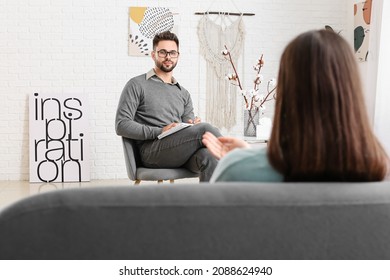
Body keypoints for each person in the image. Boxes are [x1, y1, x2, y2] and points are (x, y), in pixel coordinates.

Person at [203, 29, 389, 182]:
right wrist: (248, 156)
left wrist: (244, 160)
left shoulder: (236, 171)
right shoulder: (380, 171)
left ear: (287, 92)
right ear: (352, 93)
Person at [116, 31, 221, 182]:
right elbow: (121, 125)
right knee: (204, 129)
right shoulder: (136, 84)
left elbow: (188, 126)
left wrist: (192, 125)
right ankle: (239, 161)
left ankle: (208, 204)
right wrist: (160, 131)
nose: (168, 57)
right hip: (151, 152)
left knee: (209, 156)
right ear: (153, 55)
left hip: (180, 152)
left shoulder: (183, 93)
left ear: (178, 55)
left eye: (172, 53)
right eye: (163, 52)